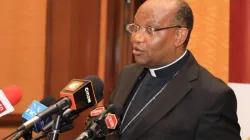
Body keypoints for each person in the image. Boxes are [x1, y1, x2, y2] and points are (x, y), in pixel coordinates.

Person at [108, 0, 241, 139]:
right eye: (135, 27)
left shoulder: (212, 96)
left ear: (179, 36)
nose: (136, 38)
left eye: (150, 29)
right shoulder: (127, 74)